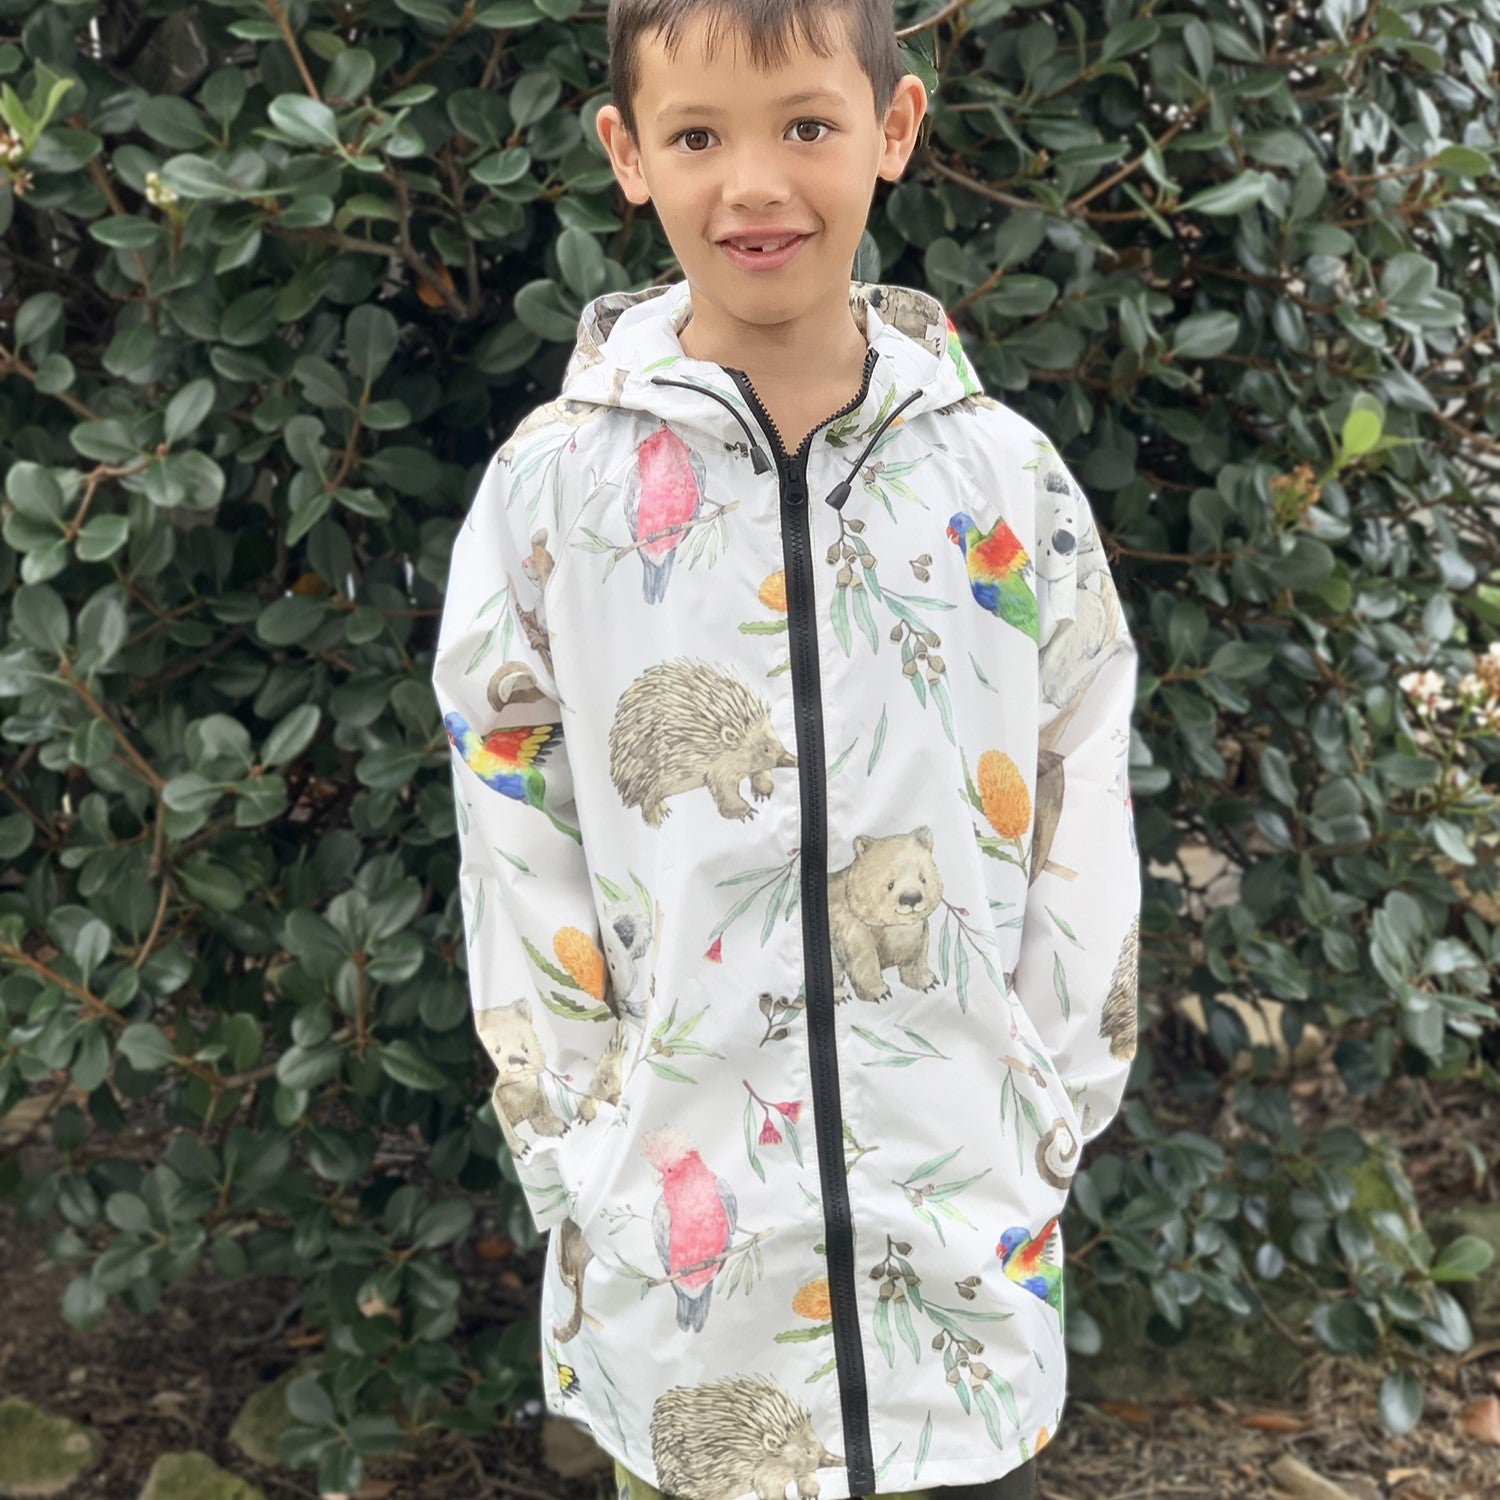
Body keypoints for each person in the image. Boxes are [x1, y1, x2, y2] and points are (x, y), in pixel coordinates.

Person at [430, 0, 1142, 1495]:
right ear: (628, 155)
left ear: (895, 127)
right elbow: (512, 817)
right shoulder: (554, 490)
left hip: (962, 1251)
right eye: (698, 135)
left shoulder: (1002, 479)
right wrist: (576, 1134)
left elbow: (1078, 789)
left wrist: (1050, 1098)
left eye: (806, 124)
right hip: (680, 1260)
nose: (754, 184)